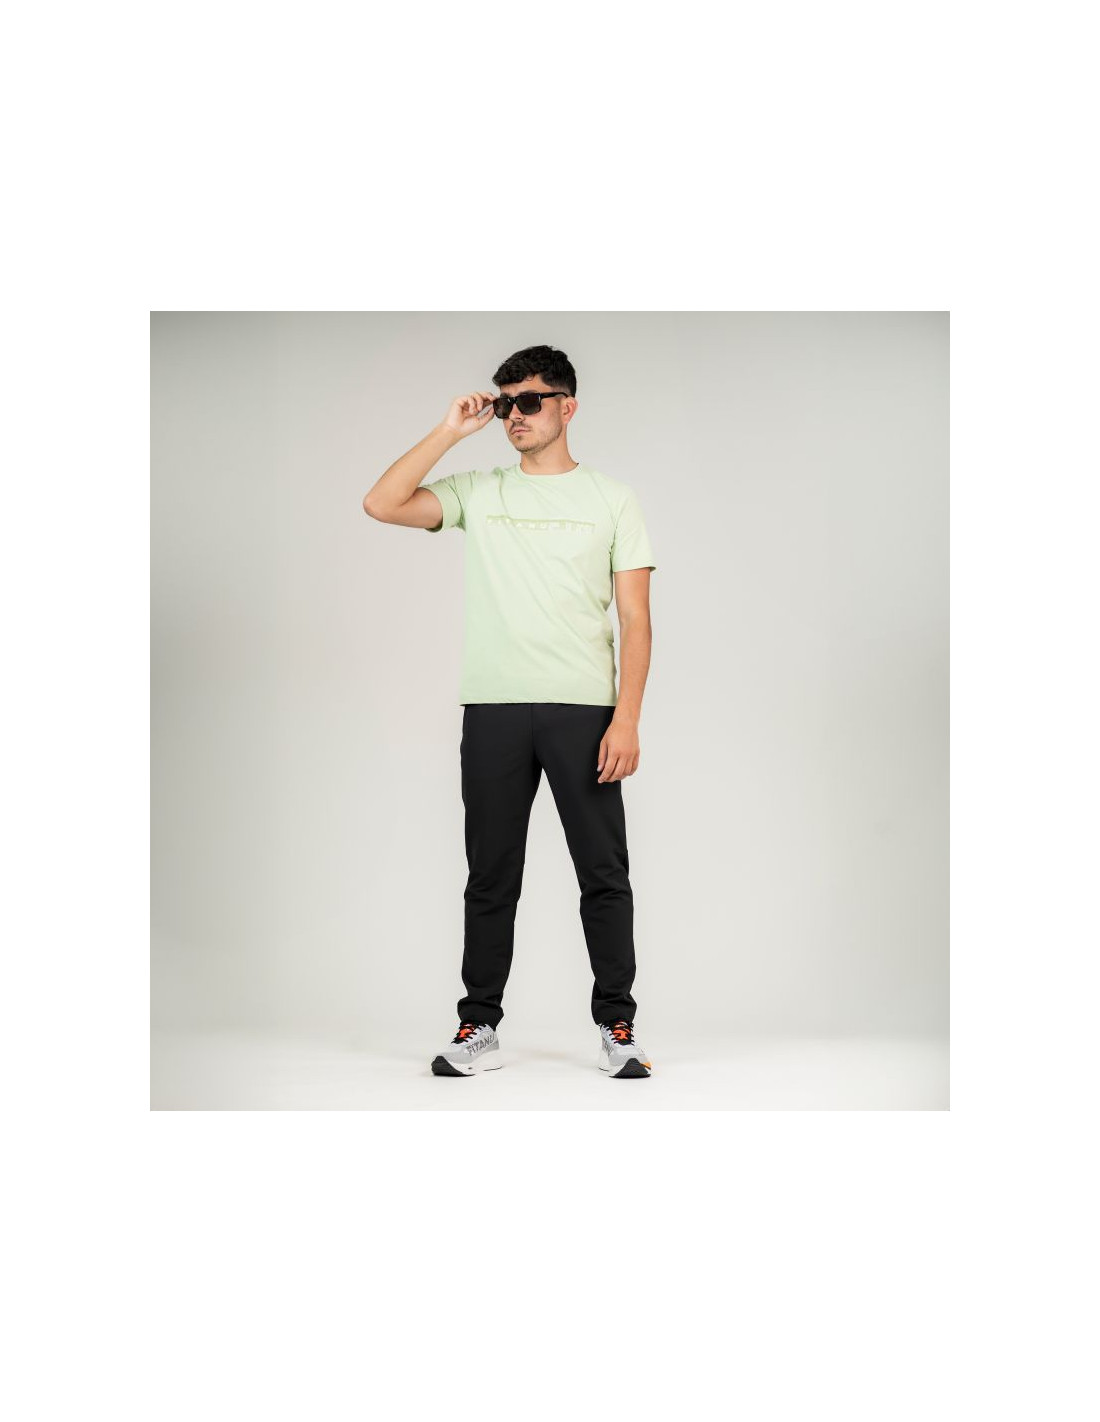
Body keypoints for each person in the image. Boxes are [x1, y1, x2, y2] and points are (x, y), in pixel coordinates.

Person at [363, 345, 656, 1080]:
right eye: (504, 404)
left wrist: (626, 718)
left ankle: (617, 1025)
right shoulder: (480, 490)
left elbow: (636, 618)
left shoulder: (612, 499)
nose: (514, 415)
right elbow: (382, 503)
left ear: (567, 406)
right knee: (490, 875)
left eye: (530, 401)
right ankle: (478, 1025)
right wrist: (450, 431)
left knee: (603, 873)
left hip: (584, 710)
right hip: (493, 707)